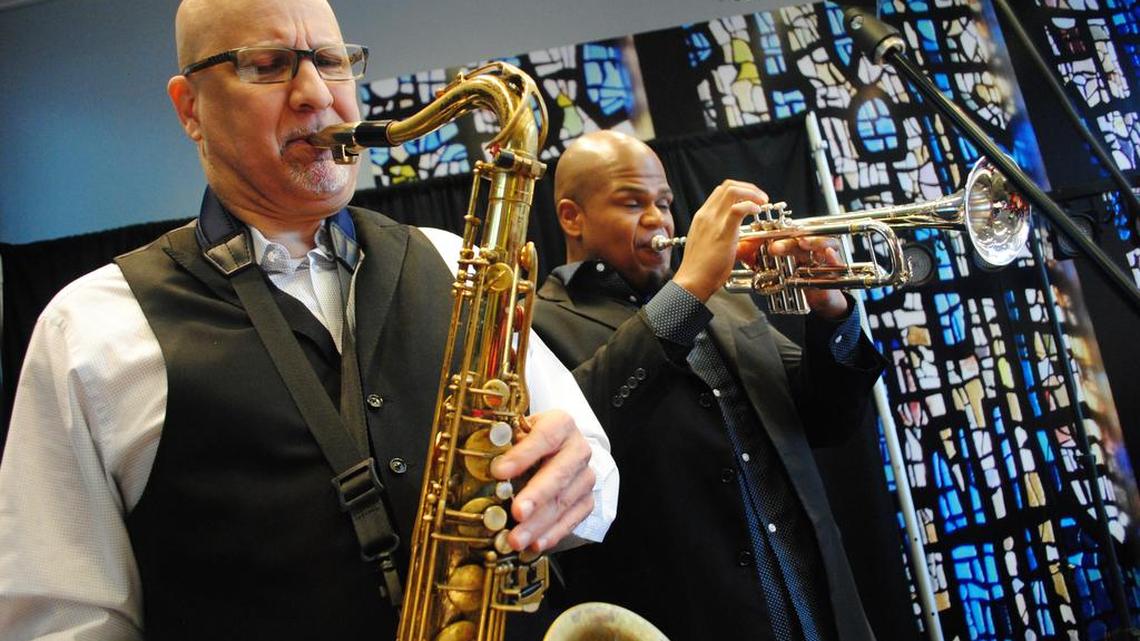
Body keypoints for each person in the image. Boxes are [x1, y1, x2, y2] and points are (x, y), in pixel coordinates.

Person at [0, 1, 617, 639]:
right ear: (191, 108)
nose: (317, 94)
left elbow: (594, 471)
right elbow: (61, 621)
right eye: (268, 66)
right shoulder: (91, 328)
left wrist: (571, 485)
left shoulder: (451, 257)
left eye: (330, 60)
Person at [532, 130, 887, 641]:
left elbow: (826, 420)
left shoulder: (727, 303)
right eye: (633, 203)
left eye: (665, 202)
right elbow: (585, 430)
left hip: (817, 612)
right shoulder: (538, 326)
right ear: (572, 217)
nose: (658, 219)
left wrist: (830, 308)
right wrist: (688, 289)